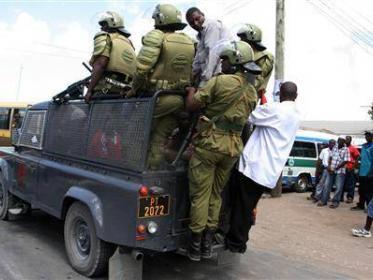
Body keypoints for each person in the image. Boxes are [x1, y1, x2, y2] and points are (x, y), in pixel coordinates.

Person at [184, 41, 260, 261]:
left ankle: (195, 246)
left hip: (209, 145)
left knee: (201, 195)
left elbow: (192, 105)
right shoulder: (251, 91)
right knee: (216, 195)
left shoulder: (219, 82)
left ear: (234, 60)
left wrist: (191, 92)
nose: (223, 62)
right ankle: (208, 244)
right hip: (232, 148)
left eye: (225, 59)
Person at [225, 81, 301, 254]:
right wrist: (262, 99)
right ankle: (238, 239)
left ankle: (236, 243)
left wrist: (255, 97)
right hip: (268, 170)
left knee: (242, 206)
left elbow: (250, 116)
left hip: (255, 167)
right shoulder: (296, 114)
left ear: (280, 93)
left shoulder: (276, 110)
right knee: (248, 205)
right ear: (296, 96)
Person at [128, 4, 195, 170]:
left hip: (156, 99)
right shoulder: (188, 41)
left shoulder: (156, 37)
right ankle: (153, 172)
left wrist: (133, 89)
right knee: (159, 139)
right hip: (179, 99)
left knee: (134, 134)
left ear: (160, 18)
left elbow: (142, 68)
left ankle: (134, 170)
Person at [85, 11, 136, 102]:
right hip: (125, 94)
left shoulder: (104, 37)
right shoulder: (129, 43)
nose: (101, 27)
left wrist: (89, 90)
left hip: (105, 92)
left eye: (104, 24)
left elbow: (101, 64)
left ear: (112, 23)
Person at [186, 7, 232, 87]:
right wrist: (191, 78)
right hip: (212, 77)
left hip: (218, 75)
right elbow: (197, 61)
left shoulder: (212, 26)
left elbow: (213, 54)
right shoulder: (201, 36)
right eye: (192, 23)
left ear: (202, 15)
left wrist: (205, 81)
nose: (196, 23)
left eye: (197, 19)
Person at [237, 23, 274, 100]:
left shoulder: (264, 56)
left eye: (243, 39)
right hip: (237, 94)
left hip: (252, 97)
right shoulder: (241, 55)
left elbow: (257, 81)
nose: (240, 41)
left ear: (251, 39)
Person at [318, 137, 350, 208]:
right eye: (339, 140)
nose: (339, 141)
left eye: (341, 140)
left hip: (340, 171)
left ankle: (335, 202)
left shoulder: (346, 149)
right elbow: (330, 157)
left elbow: (346, 161)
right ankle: (324, 201)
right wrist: (329, 167)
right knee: (327, 185)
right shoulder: (335, 147)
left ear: (344, 141)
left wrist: (336, 168)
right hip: (331, 170)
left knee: (338, 187)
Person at [351, 131, 373, 211]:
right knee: (361, 190)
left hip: (369, 173)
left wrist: (371, 173)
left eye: (368, 136)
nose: (367, 137)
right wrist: (357, 169)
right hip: (362, 172)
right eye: (366, 136)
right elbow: (361, 159)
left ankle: (369, 207)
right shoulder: (364, 146)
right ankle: (361, 205)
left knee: (369, 191)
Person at [342, 135, 360, 203]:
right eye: (346, 139)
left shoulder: (353, 148)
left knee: (351, 184)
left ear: (350, 140)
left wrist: (353, 166)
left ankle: (350, 197)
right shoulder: (343, 148)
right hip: (343, 168)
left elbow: (358, 157)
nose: (346, 140)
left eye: (348, 139)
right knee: (342, 183)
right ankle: (341, 197)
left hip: (350, 168)